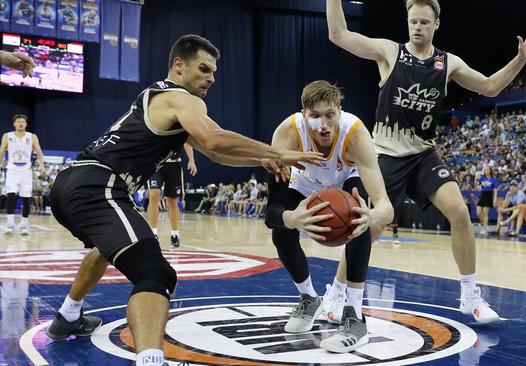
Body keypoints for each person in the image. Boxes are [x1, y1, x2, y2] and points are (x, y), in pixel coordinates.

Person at [44, 34, 322, 366]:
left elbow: (218, 152)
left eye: (214, 72)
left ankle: (68, 315)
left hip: (74, 184)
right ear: (179, 65)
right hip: (98, 187)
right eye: (204, 69)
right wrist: (277, 151)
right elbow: (216, 140)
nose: (211, 78)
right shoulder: (182, 98)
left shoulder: (166, 100)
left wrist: (261, 159)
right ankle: (150, 361)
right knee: (155, 274)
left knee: (110, 245)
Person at [326, 0, 526, 323]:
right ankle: (336, 292)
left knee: (459, 211)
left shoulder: (448, 63)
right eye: (413, 21)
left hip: (423, 155)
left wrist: (521, 59)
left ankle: (470, 296)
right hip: (385, 154)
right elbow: (339, 34)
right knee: (369, 227)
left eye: (424, 22)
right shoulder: (389, 52)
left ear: (436, 24)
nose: (417, 27)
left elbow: (489, 86)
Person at [264, 80, 393, 353]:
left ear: (339, 111)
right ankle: (310, 298)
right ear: (303, 115)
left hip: (346, 177)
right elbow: (272, 210)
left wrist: (373, 215)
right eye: (315, 116)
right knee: (281, 232)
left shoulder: (356, 134)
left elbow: (386, 208)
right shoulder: (286, 133)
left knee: (357, 218)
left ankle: (355, 318)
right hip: (305, 183)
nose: (323, 124)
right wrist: (291, 219)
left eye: (329, 115)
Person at [0, 114, 45, 235]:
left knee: (26, 198)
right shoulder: (7, 136)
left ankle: (24, 225)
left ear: (26, 124)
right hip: (12, 170)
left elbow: (39, 152)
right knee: (10, 196)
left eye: (23, 122)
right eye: (18, 121)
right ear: (14, 124)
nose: (21, 123)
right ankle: (10, 224)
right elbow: (2, 151)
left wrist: (42, 165)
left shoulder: (32, 137)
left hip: (26, 171)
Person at [146, 143, 197, 248]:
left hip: (174, 165)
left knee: (172, 201)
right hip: (156, 163)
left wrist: (191, 160)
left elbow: (187, 141)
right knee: (154, 194)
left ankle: (175, 234)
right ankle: (153, 233)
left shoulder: (180, 126)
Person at [475, 166, 498, 235]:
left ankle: (484, 229)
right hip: (482, 195)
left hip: (489, 196)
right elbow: (476, 186)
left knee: (485, 213)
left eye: (487, 169)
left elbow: (495, 190)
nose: (486, 171)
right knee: (478, 213)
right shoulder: (482, 178)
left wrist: (495, 199)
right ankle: (486, 224)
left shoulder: (493, 179)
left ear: (490, 171)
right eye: (485, 170)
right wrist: (476, 178)